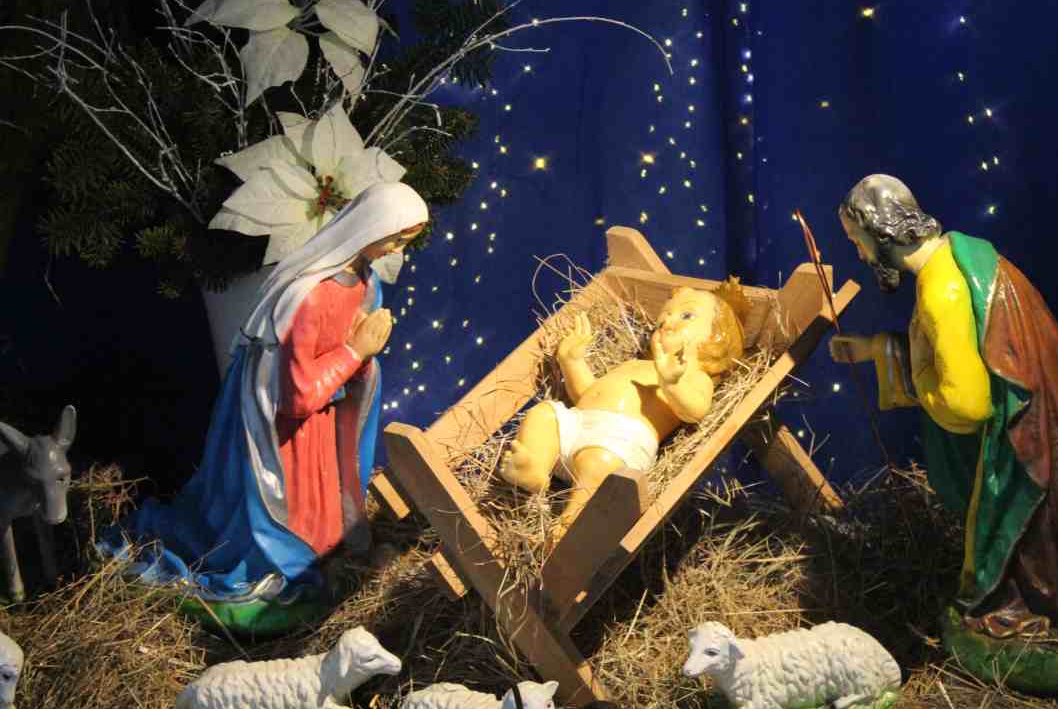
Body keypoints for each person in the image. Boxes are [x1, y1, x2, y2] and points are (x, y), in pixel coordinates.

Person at [829, 174, 1058, 642]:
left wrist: (913, 380)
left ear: (881, 232)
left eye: (856, 241)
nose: (859, 254)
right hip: (1054, 425)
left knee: (1054, 580)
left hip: (1025, 461)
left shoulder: (942, 293)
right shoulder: (964, 256)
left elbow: (966, 405)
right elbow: (960, 356)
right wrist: (877, 349)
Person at [100, 182, 428, 612]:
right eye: (395, 238)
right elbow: (295, 397)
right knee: (284, 537)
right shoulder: (310, 296)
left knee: (323, 530)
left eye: (406, 242)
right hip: (282, 435)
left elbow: (352, 358)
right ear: (371, 225)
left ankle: (318, 560)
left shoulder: (367, 285)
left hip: (321, 427)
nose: (396, 250)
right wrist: (355, 352)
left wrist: (363, 356)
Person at [499, 280, 750, 539]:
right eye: (665, 314)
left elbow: (695, 410)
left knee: (598, 465)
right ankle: (535, 469)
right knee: (544, 414)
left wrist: (671, 383)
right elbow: (588, 395)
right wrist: (571, 361)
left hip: (620, 439)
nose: (666, 320)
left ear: (716, 338)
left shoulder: (694, 376)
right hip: (581, 421)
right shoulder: (635, 364)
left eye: (686, 315)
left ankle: (569, 525)